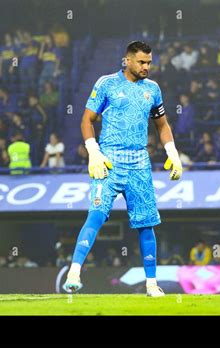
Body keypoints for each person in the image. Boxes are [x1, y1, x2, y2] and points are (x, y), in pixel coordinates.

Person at [63, 41, 183, 297]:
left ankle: (152, 285)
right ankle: (74, 272)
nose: (146, 67)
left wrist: (173, 153)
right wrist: (93, 152)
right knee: (96, 214)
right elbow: (87, 119)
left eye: (149, 62)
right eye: (141, 62)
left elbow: (162, 125)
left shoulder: (153, 89)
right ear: (127, 60)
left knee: (146, 224)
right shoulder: (106, 83)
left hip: (140, 160)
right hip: (108, 159)